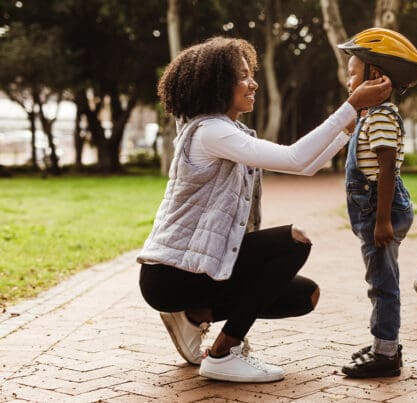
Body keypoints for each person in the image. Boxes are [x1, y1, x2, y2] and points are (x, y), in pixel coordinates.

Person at [136, 36, 392, 383]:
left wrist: (351, 121)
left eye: (250, 73)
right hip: (170, 275)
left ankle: (196, 315)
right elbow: (295, 157)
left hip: (195, 270)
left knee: (304, 295)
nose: (252, 82)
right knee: (294, 242)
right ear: (217, 83)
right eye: (243, 76)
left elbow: (307, 165)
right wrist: (350, 105)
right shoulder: (211, 131)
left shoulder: (227, 130)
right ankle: (224, 353)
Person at [336, 28, 417, 378]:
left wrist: (381, 221)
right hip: (379, 208)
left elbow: (387, 168)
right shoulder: (369, 116)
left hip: (382, 209)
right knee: (381, 277)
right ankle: (382, 343)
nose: (348, 83)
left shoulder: (380, 116)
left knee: (383, 283)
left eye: (352, 75)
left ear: (374, 75)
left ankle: (386, 353)